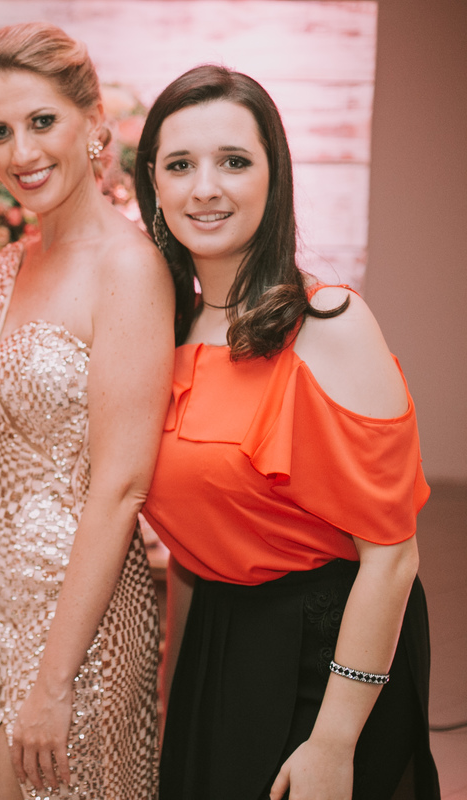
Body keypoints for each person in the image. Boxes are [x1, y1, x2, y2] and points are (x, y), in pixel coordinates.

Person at [136, 64, 441, 800]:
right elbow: (189, 550)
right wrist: (175, 691)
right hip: (218, 641)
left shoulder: (330, 323)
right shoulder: (163, 332)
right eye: (180, 165)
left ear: (275, 176)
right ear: (153, 184)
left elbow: (393, 558)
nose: (205, 188)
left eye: (234, 162)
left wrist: (333, 742)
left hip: (331, 650)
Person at [0, 22, 173, 800]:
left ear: (94, 123)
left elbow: (121, 486)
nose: (21, 151)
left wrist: (53, 681)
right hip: (0, 594)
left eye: (42, 121)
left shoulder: (130, 267)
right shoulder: (10, 263)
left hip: (80, 615)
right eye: (0, 132)